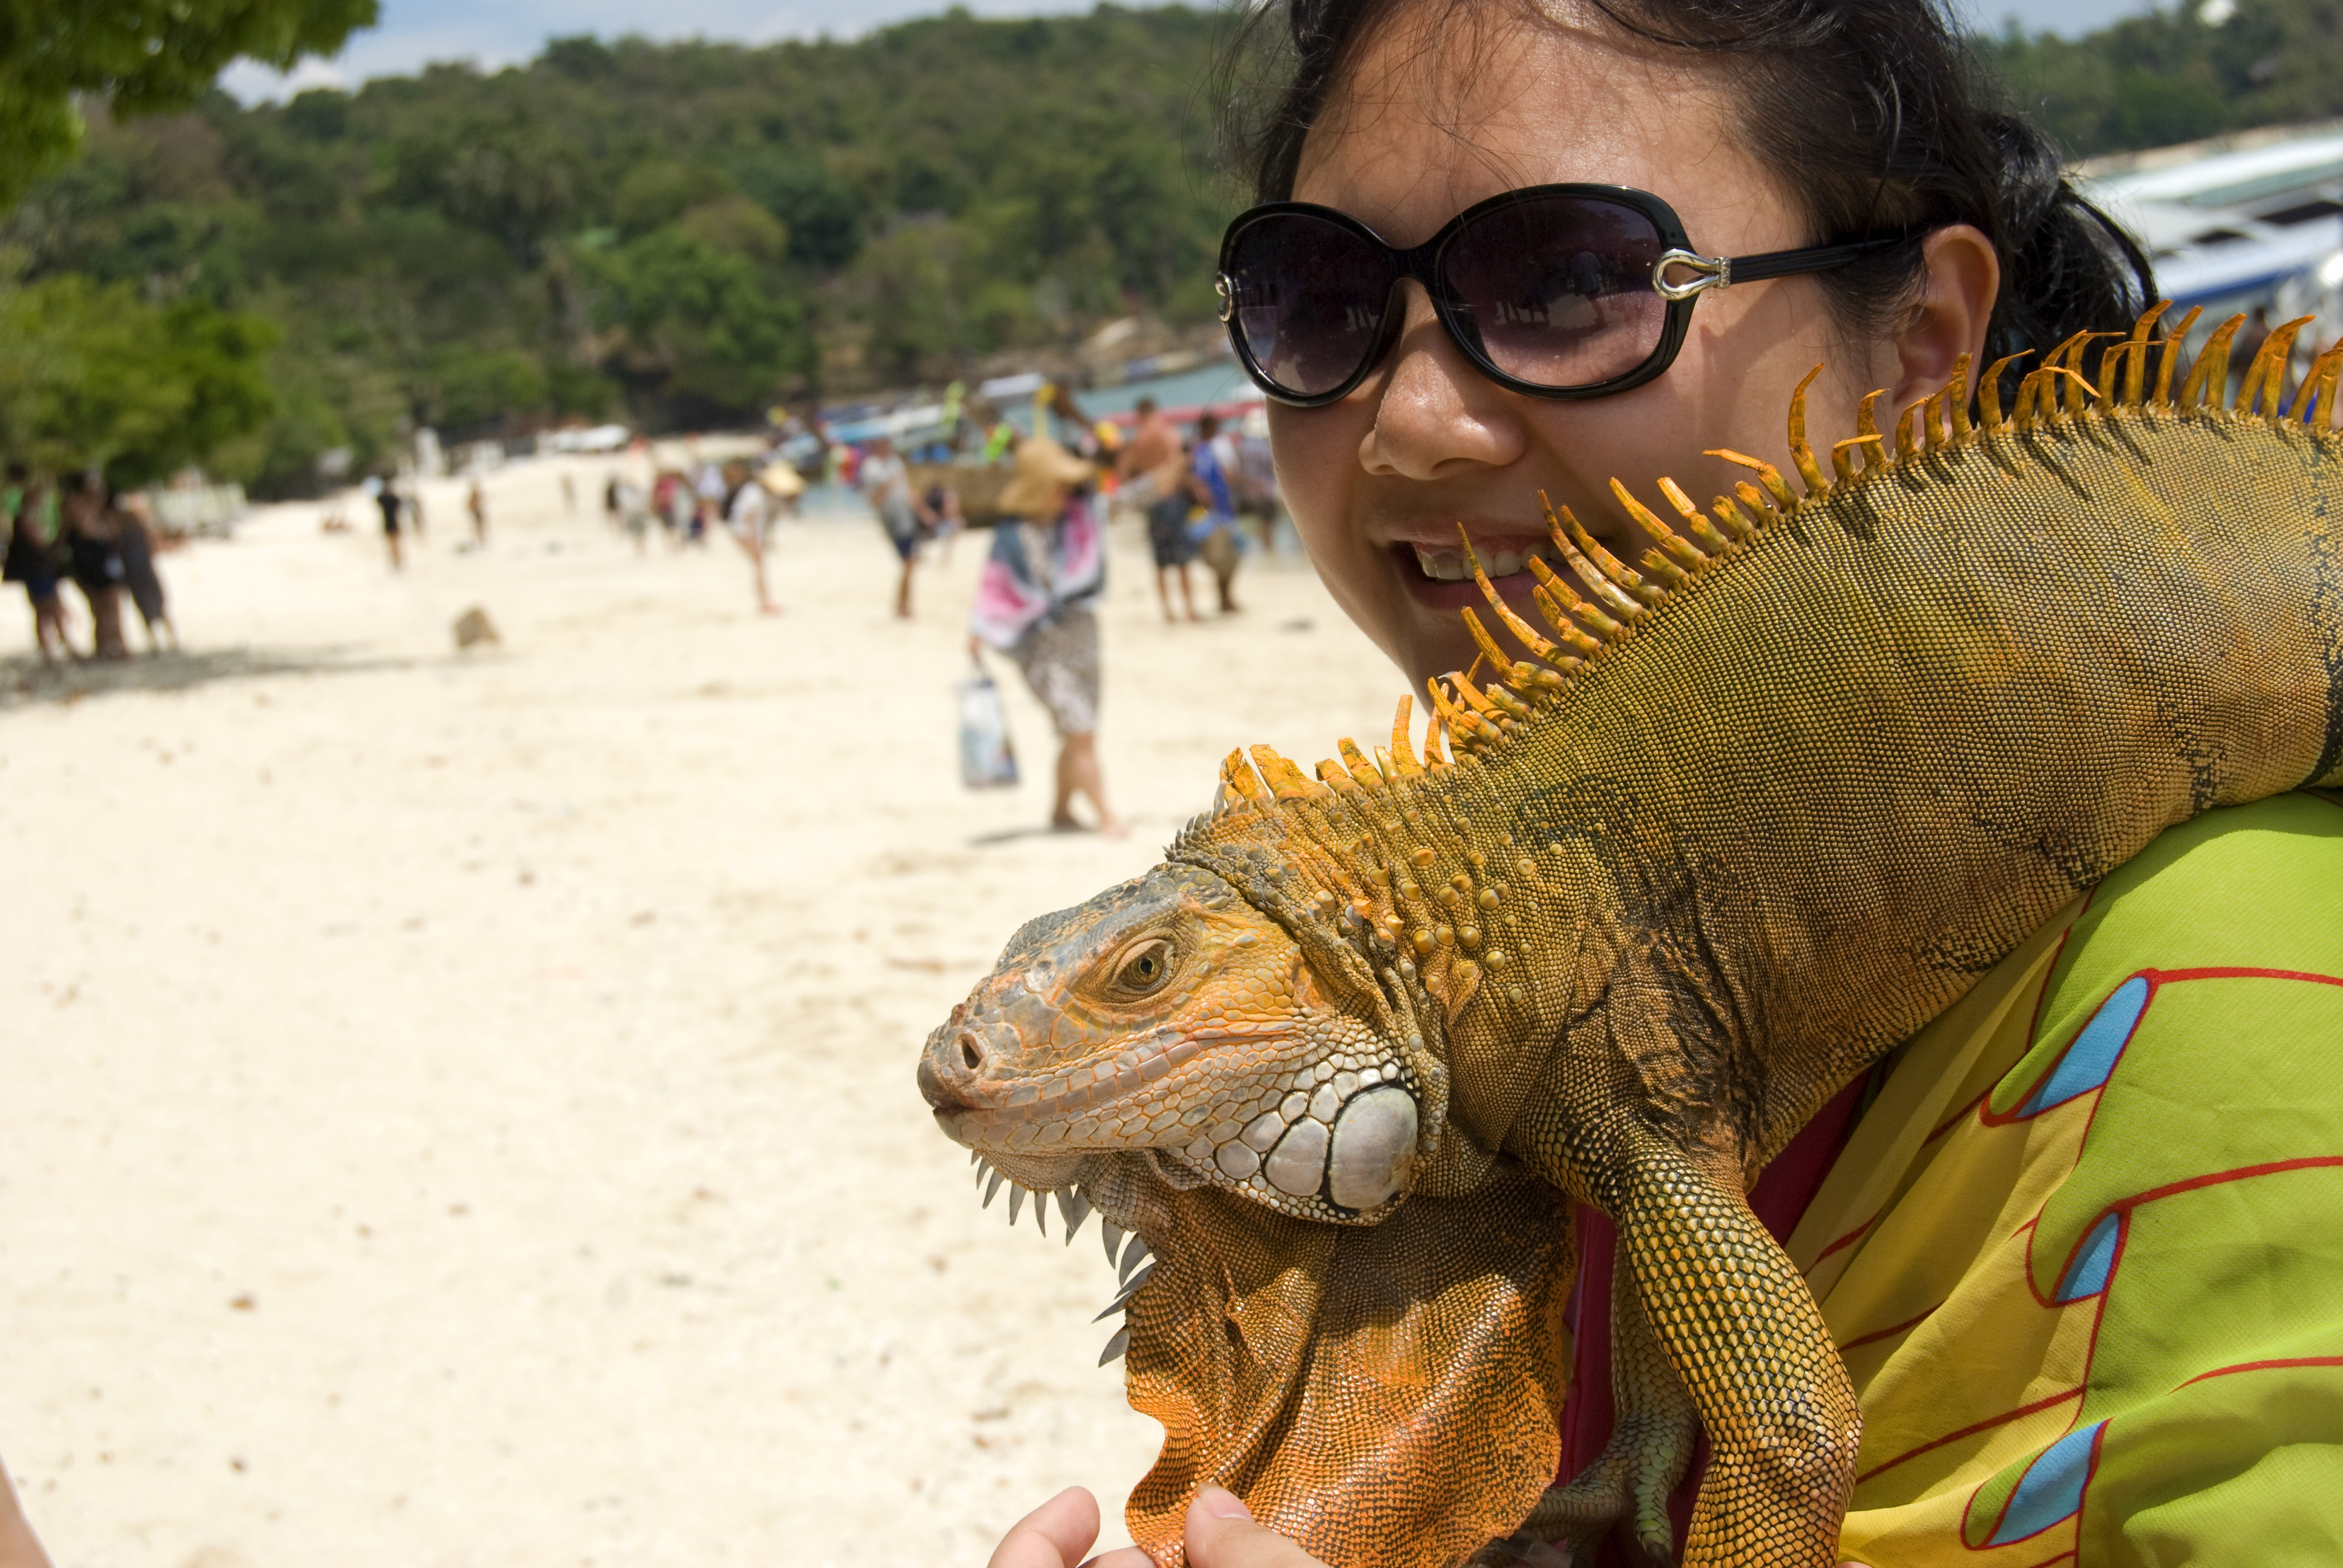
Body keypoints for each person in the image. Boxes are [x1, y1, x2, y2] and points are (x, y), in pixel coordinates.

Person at [988, 0, 2343, 1564]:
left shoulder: (2239, 1003)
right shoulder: (1590, 999)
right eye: (1315, 301)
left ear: (1920, 345)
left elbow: (1788, 1435)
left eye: (1567, 280)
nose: (1413, 426)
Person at [969, 434, 1122, 835]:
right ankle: (1108, 816)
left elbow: (1132, 497)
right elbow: (995, 590)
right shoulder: (1011, 537)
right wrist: (979, 630)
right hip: (1042, 651)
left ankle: (1060, 812)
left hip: (1083, 642)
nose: (1067, 490)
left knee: (1077, 733)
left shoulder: (1080, 518)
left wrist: (1173, 468)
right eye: (1059, 483)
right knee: (1080, 730)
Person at [1122, 396, 1201, 623]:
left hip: (1152, 502)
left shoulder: (1138, 438)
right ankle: (1190, 609)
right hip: (1172, 498)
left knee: (1160, 562)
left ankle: (1168, 612)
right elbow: (1180, 463)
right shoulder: (1167, 432)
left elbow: (1125, 471)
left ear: (1139, 414)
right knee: (1182, 560)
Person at [3, 471, 74, 665]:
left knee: (45, 609)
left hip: (40, 570)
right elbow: (40, 544)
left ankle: (51, 648)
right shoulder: (25, 520)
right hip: (36, 570)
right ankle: (58, 646)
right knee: (48, 608)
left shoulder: (31, 519)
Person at [60, 474, 128, 659]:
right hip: (91, 566)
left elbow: (113, 534)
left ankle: (113, 647)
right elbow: (87, 532)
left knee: (110, 609)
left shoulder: (101, 514)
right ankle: (110, 648)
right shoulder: (78, 508)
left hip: (101, 564)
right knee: (104, 609)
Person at [1186, 411, 1245, 613]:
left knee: (1227, 556)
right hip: (1214, 512)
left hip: (1221, 510)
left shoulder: (1203, 449)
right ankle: (1225, 599)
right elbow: (1198, 480)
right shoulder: (1202, 450)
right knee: (1223, 557)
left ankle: (1226, 598)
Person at [860, 434, 922, 618]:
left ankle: (903, 604)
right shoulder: (871, 467)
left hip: (907, 519)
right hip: (893, 522)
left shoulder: (895, 462)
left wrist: (924, 513)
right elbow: (874, 500)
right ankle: (902, 606)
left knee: (910, 563)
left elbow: (907, 491)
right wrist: (889, 484)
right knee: (909, 563)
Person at [114, 491, 177, 653]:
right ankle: (164, 640)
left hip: (138, 569)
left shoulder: (130, 525)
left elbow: (153, 543)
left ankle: (162, 640)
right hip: (138, 569)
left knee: (154, 603)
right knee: (153, 603)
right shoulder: (126, 525)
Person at [722, 458, 778, 614]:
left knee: (758, 565)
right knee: (759, 565)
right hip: (745, 532)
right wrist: (753, 537)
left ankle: (764, 602)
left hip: (740, 530)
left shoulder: (749, 489)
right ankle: (765, 602)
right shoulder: (753, 490)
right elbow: (750, 515)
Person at [372, 475, 404, 570]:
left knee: (391, 545)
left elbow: (377, 500)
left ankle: (395, 562)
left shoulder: (383, 498)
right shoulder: (394, 498)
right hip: (395, 523)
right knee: (396, 545)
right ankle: (398, 562)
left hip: (386, 524)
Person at [467, 475, 489, 545]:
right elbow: (469, 505)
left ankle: (481, 540)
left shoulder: (477, 494)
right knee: (479, 526)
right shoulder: (473, 495)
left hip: (478, 511)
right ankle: (480, 540)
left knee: (480, 526)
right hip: (476, 512)